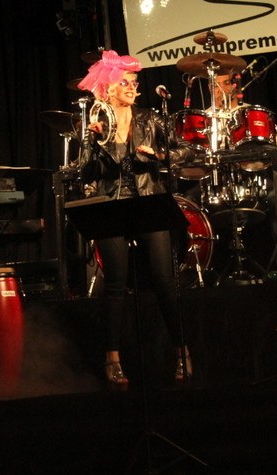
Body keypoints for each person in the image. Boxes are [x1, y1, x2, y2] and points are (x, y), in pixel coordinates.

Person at [76, 50, 192, 389]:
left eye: (134, 82)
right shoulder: (96, 124)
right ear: (107, 88)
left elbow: (186, 150)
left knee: (164, 280)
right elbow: (84, 171)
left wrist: (159, 155)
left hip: (149, 199)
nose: (132, 87)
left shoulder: (149, 118)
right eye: (125, 82)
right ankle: (112, 358)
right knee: (115, 283)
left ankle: (182, 352)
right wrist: (92, 142)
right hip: (112, 203)